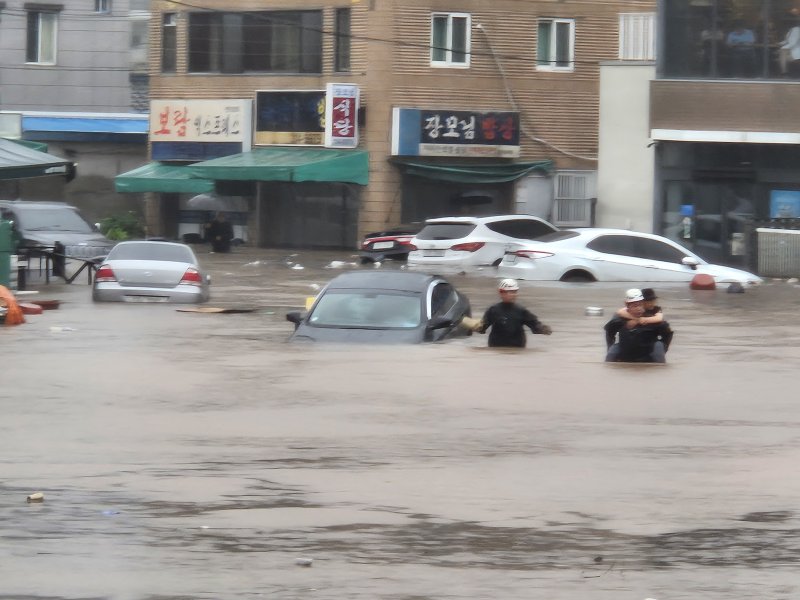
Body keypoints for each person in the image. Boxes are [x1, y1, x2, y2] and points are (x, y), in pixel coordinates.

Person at [469, 278, 552, 348]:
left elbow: (534, 324)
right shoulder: (493, 310)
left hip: (517, 349)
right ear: (501, 293)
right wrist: (475, 327)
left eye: (515, 292)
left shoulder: (521, 310)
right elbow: (483, 327)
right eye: (510, 292)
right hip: (496, 349)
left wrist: (543, 329)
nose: (513, 295)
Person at [604, 288, 670, 363]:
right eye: (635, 306)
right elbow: (609, 331)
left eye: (640, 305)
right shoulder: (620, 319)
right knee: (612, 352)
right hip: (626, 353)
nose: (639, 308)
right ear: (627, 306)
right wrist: (609, 347)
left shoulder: (653, 318)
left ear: (644, 304)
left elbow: (667, 334)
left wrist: (663, 349)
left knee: (658, 346)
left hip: (648, 354)